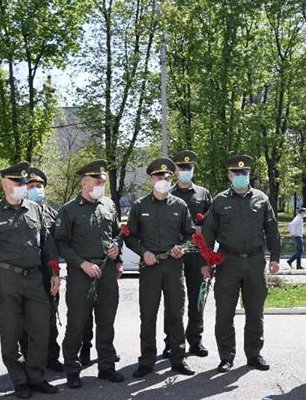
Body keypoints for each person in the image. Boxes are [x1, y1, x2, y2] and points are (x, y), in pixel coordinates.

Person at [0, 161, 60, 399]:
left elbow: (48, 246)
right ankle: (19, 379)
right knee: (10, 334)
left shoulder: (35, 209)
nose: (23, 186)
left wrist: (54, 273)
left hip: (35, 278)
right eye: (18, 182)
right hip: (5, 279)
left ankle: (35, 375)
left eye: (25, 182)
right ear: (5, 185)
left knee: (40, 330)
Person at [200, 154, 281, 372]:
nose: (240, 176)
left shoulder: (261, 199)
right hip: (227, 262)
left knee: (255, 312)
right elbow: (208, 233)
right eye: (236, 173)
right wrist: (206, 261)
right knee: (224, 312)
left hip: (255, 262)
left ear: (249, 174)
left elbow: (272, 229)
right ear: (229, 176)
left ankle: (254, 354)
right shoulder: (220, 201)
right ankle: (226, 356)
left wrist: (275, 257)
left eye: (244, 173)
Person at [55, 159, 125, 388]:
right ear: (84, 183)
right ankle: (72, 369)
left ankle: (106, 366)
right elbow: (61, 243)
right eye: (97, 181)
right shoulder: (69, 210)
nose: (101, 185)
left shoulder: (108, 205)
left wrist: (117, 251)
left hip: (106, 273)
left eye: (103, 182)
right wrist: (81, 263)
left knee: (106, 321)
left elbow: (117, 233)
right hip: (81, 274)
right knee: (77, 322)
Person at [125, 157, 196, 377]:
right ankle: (146, 361)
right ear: (151, 179)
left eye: (167, 177)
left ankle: (178, 359)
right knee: (148, 315)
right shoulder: (139, 206)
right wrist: (143, 252)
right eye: (158, 177)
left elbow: (191, 236)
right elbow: (130, 236)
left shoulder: (180, 205)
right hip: (150, 268)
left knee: (175, 313)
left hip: (173, 267)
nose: (163, 180)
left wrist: (182, 248)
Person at [167, 150, 213, 358]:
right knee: (173, 299)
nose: (185, 171)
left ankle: (195, 340)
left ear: (193, 170)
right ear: (175, 170)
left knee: (197, 297)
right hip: (174, 251)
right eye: (181, 168)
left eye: (189, 168)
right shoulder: (167, 192)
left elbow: (212, 223)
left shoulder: (203, 194)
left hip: (197, 252)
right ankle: (171, 341)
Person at [25, 167, 64, 372]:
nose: (35, 189)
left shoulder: (52, 214)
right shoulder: (19, 211)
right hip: (26, 272)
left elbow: (56, 248)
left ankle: (51, 356)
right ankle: (29, 358)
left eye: (39, 186)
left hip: (48, 272)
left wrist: (56, 273)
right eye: (30, 186)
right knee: (27, 319)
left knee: (50, 317)